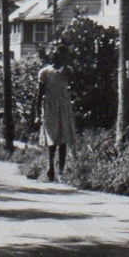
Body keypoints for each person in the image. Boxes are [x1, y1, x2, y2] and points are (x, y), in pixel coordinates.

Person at [32, 48, 76, 182]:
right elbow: (39, 93)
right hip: (50, 106)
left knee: (63, 137)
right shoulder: (45, 72)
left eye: (60, 55)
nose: (57, 58)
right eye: (54, 56)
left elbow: (75, 81)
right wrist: (37, 112)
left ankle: (61, 171)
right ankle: (50, 165)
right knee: (52, 136)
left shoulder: (67, 71)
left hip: (64, 105)